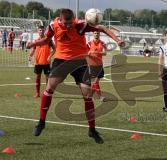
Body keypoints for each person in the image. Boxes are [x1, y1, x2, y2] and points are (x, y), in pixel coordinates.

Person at [27, 8, 124, 144]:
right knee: (49, 89)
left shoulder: (80, 25)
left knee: (87, 94)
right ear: (60, 19)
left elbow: (101, 28)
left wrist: (117, 40)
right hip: (61, 60)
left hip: (79, 62)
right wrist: (33, 43)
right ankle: (41, 122)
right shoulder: (53, 26)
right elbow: (46, 40)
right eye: (66, 23)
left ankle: (92, 130)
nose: (69, 25)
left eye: (70, 22)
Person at [28, 26, 55, 98]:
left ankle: (47, 93)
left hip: (46, 63)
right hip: (38, 63)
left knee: (47, 78)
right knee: (38, 77)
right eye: (40, 30)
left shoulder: (48, 40)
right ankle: (37, 93)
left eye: (43, 30)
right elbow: (33, 49)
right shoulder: (36, 41)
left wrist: (50, 56)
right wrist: (30, 55)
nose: (41, 31)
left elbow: (54, 49)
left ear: (45, 31)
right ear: (38, 31)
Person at [87, 31, 107, 102]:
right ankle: (101, 96)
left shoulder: (103, 43)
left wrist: (96, 52)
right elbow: (85, 53)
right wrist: (89, 53)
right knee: (95, 83)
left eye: (97, 33)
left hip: (100, 65)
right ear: (93, 34)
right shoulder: (89, 44)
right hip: (92, 65)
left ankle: (89, 96)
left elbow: (105, 53)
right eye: (95, 33)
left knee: (96, 83)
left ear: (99, 34)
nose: (96, 34)